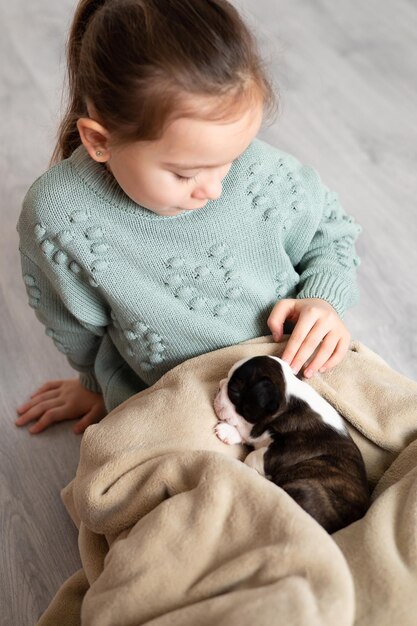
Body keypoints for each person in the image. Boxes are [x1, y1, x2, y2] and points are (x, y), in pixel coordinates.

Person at [16, 0, 361, 435]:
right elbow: (70, 322)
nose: (213, 189)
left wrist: (324, 299)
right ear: (99, 141)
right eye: (185, 173)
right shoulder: (59, 214)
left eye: (230, 159)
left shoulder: (261, 173)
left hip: (294, 365)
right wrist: (94, 385)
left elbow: (330, 234)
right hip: (175, 397)